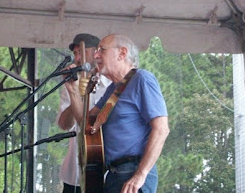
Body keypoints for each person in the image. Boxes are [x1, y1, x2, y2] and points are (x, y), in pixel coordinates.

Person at [65, 34, 170, 193]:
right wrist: (72, 90)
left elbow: (161, 129)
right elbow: (87, 125)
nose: (96, 55)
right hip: (113, 174)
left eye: (102, 50)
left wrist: (140, 175)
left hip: (132, 172)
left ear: (122, 53)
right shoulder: (113, 89)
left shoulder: (142, 79)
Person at [56, 33, 112, 193]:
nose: (78, 58)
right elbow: (64, 125)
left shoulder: (111, 84)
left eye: (82, 52)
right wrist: (75, 94)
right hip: (74, 170)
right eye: (75, 54)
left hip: (104, 170)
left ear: (97, 52)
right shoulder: (73, 82)